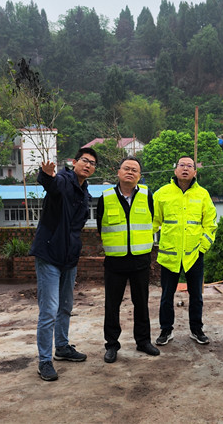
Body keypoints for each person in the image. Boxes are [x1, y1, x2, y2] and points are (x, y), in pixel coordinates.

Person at [30, 147, 98, 381]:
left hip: (70, 257)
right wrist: (46, 175)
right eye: (84, 160)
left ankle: (62, 346)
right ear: (74, 162)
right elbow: (51, 184)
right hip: (49, 254)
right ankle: (44, 360)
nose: (88, 165)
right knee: (49, 310)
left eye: (92, 163)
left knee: (66, 306)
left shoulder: (85, 192)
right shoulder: (63, 179)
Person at [97, 156, 160, 363]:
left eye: (135, 170)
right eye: (126, 168)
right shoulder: (106, 197)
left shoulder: (146, 195)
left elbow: (151, 221)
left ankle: (143, 341)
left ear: (139, 176)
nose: (130, 172)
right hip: (115, 261)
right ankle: (111, 345)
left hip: (140, 261)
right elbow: (100, 226)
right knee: (112, 305)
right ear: (118, 172)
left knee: (141, 303)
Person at [153, 156, 217, 346]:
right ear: (175, 170)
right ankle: (166, 330)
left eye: (190, 166)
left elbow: (210, 224)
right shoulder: (162, 194)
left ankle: (196, 330)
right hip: (170, 254)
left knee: (196, 296)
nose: (185, 169)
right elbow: (153, 222)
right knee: (166, 295)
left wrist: (202, 247)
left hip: (194, 254)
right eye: (182, 165)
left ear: (195, 172)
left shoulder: (202, 195)